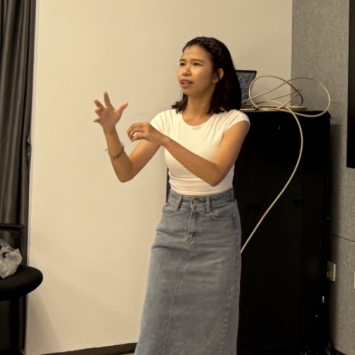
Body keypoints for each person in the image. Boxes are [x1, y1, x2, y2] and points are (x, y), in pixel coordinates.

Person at [93, 36, 250, 354]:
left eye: (196, 64)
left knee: (213, 327)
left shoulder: (235, 121)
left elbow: (214, 174)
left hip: (218, 228)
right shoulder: (165, 120)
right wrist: (110, 130)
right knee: (157, 323)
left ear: (218, 75)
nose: (185, 71)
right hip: (175, 223)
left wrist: (164, 140)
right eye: (182, 63)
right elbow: (126, 172)